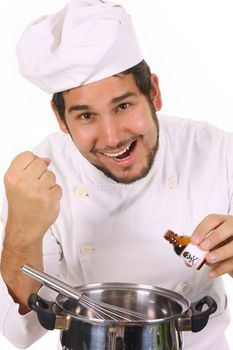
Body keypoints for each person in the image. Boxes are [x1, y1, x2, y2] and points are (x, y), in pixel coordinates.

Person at [0, 0, 232, 349]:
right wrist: (21, 230)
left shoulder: (217, 152)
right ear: (61, 119)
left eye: (123, 106)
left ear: (153, 92)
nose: (112, 138)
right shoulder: (40, 177)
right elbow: (21, 330)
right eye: (86, 116)